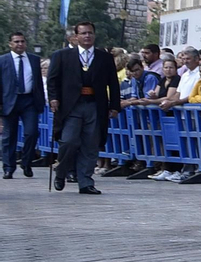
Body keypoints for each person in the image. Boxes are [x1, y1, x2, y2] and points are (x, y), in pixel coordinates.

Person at [45, 22, 120, 194]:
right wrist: (53, 98)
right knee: (69, 141)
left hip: (95, 104)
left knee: (90, 144)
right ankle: (61, 171)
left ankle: (85, 181)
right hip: (71, 106)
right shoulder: (62, 56)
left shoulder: (104, 57)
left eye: (90, 33)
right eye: (83, 33)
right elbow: (53, 80)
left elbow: (113, 83)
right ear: (76, 36)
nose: (87, 36)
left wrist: (114, 105)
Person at [2, 31, 45, 179]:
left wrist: (41, 99)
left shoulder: (33, 59)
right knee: (9, 136)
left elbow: (38, 82)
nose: (20, 44)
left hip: (29, 101)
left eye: (22, 41)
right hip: (9, 102)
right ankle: (8, 167)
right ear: (10, 44)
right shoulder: (3, 61)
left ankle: (26, 162)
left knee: (32, 132)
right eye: (16, 42)